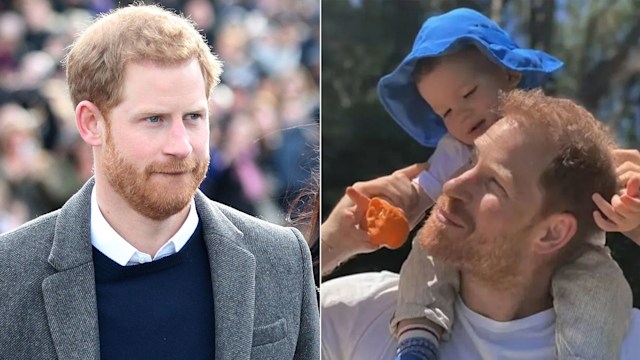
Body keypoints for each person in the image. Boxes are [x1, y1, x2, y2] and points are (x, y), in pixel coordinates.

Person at [0, 5, 319, 359]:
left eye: (194, 117)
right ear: (91, 123)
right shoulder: (9, 275)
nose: (181, 146)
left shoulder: (283, 259)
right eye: (154, 119)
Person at [359, 8, 629, 360]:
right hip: (477, 251)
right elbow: (421, 192)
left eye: (469, 93)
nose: (462, 114)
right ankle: (417, 337)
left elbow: (603, 170)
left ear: (510, 72)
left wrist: (626, 206)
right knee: (427, 249)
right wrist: (394, 208)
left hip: (573, 251)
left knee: (601, 282)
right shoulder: (453, 151)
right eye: (447, 113)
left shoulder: (556, 128)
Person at [321, 89, 640, 360]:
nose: (452, 186)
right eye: (471, 161)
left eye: (494, 183)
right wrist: (330, 244)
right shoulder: (359, 313)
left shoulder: (626, 344)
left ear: (553, 232)